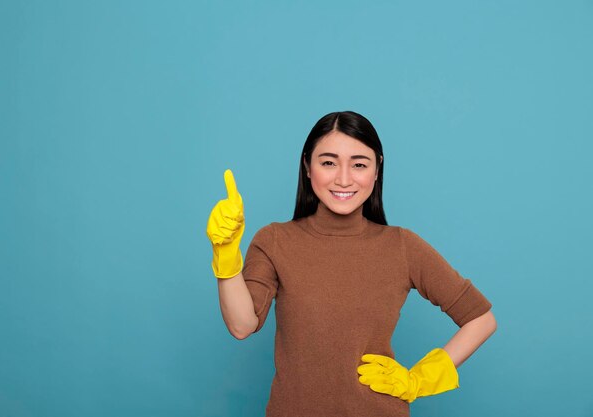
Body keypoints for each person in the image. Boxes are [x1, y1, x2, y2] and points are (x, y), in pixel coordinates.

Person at [206, 111, 497, 417]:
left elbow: (481, 320)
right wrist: (225, 252)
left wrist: (419, 380)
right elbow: (242, 325)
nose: (343, 179)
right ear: (307, 166)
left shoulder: (402, 247)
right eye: (328, 162)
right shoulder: (275, 240)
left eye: (359, 164)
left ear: (376, 169)